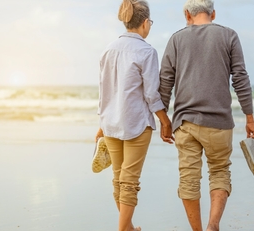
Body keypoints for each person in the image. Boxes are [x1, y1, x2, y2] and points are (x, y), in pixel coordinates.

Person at [159, 0, 254, 230]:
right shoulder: (229, 36)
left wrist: (163, 119)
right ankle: (213, 224)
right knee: (220, 170)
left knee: (189, 178)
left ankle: (198, 230)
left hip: (185, 122)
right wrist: (250, 117)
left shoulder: (176, 39)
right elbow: (240, 79)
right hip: (219, 122)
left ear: (187, 14)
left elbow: (165, 82)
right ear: (213, 13)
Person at [95, 0, 174, 230]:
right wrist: (165, 120)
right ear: (145, 23)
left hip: (110, 124)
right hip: (136, 124)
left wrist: (101, 123)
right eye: (150, 23)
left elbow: (103, 93)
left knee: (119, 178)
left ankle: (128, 228)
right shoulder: (147, 51)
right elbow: (151, 94)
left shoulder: (107, 50)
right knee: (129, 181)